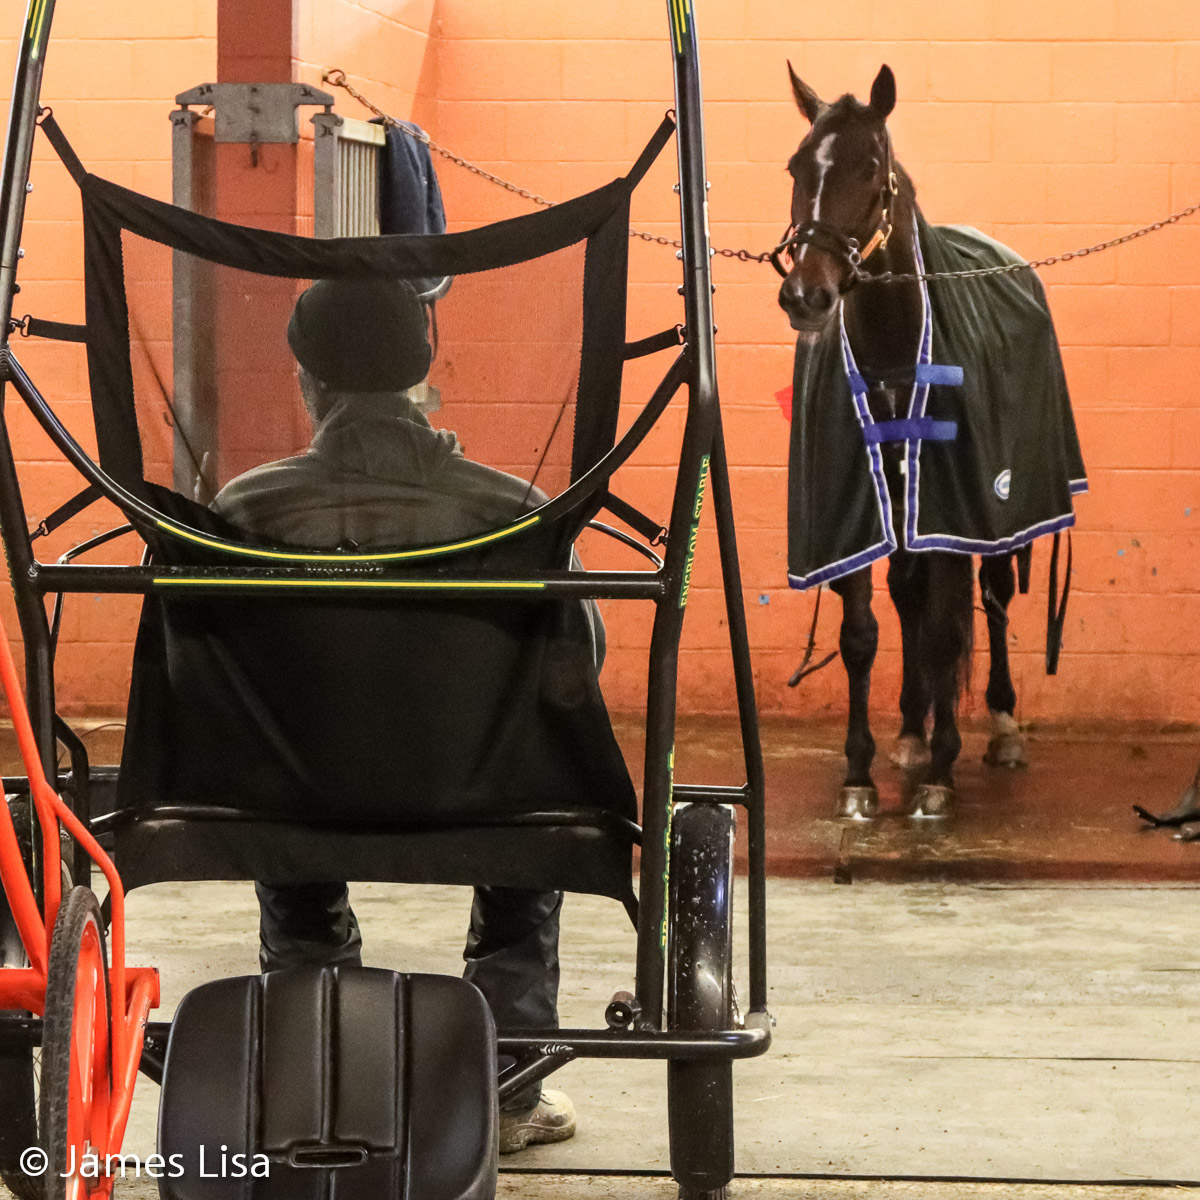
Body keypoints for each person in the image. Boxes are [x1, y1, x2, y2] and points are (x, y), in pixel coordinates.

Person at [213, 276, 597, 1154]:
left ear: (307, 379)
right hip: (484, 797)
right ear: (425, 370)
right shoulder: (512, 514)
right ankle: (504, 1087)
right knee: (528, 822)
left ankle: (320, 1062)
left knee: (289, 811)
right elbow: (576, 668)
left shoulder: (239, 513)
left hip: (296, 798)